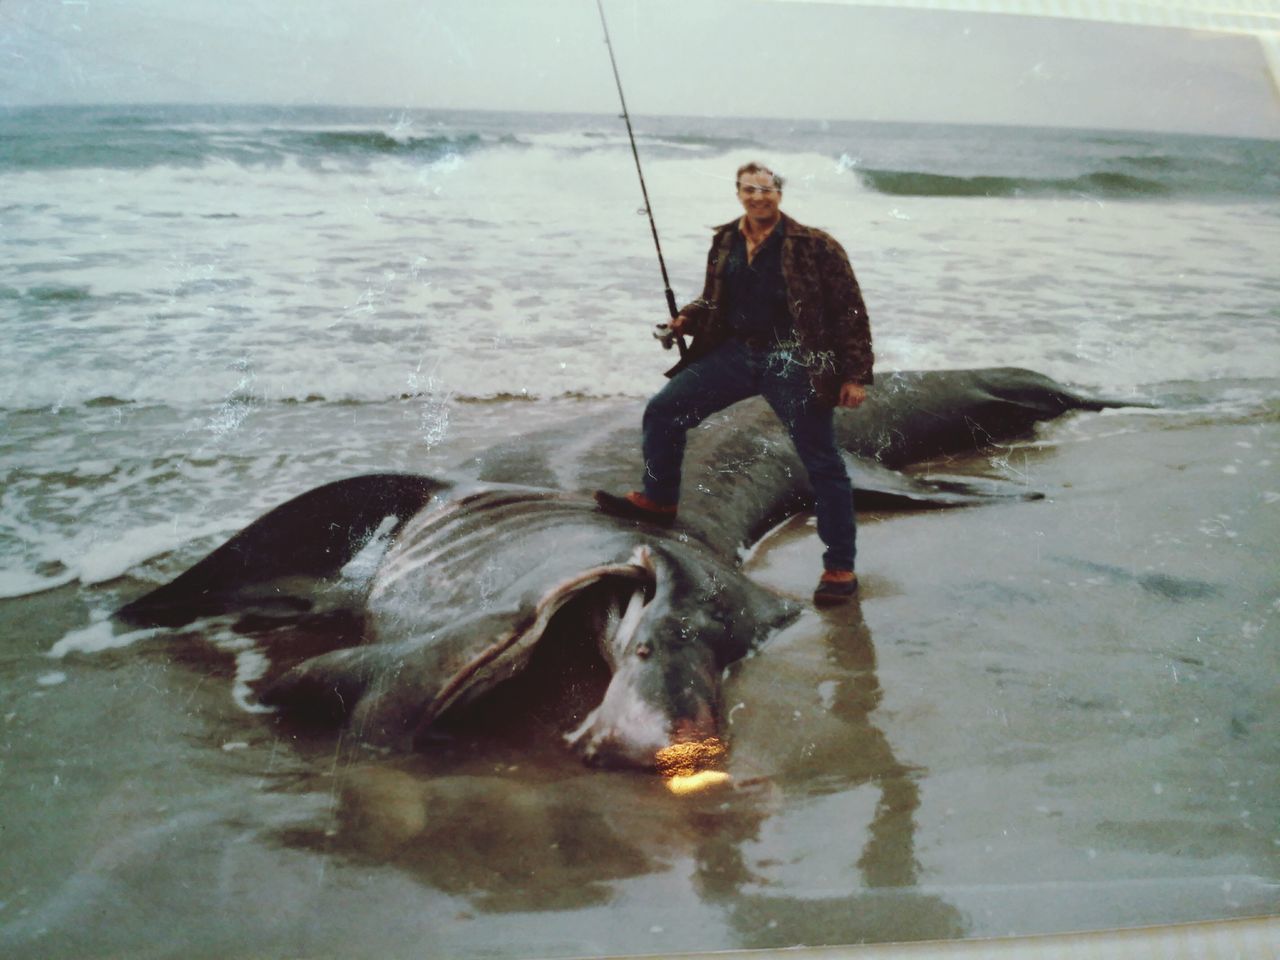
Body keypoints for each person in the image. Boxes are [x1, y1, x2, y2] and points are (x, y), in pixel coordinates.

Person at [596, 161, 874, 605]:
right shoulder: (725, 239)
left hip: (793, 358)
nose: (757, 197)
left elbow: (850, 311)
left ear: (779, 193)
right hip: (737, 353)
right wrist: (687, 317)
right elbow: (715, 298)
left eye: (765, 189)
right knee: (664, 410)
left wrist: (856, 375)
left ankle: (839, 567)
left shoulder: (815, 245)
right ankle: (660, 498)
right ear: (738, 193)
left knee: (821, 462)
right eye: (749, 189)